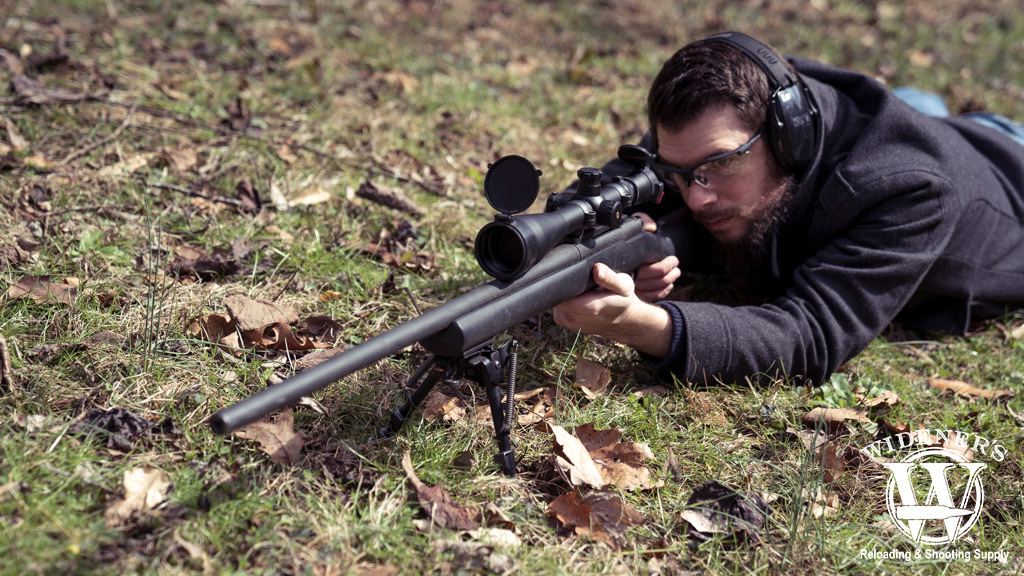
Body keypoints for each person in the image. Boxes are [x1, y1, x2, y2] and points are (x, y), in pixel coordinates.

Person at [552, 31, 1024, 386]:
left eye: (722, 164)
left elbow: (812, 335)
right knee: (917, 106)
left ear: (787, 135)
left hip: (1008, 171)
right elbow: (620, 185)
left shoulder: (912, 189)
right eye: (679, 170)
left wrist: (642, 325)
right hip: (928, 126)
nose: (696, 197)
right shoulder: (724, 119)